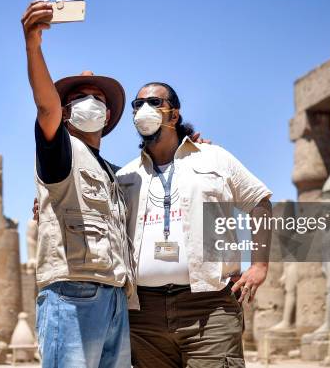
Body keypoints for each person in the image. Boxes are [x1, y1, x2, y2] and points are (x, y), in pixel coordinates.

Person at [116, 82, 273, 368]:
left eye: (153, 102)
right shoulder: (126, 176)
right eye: (137, 105)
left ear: (174, 115)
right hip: (142, 313)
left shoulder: (215, 157)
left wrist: (259, 264)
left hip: (209, 306)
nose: (143, 110)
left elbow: (259, 201)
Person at [22, 0, 135, 368]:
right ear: (66, 110)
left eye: (99, 99)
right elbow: (45, 109)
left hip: (116, 297)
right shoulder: (61, 151)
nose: (92, 103)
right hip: (73, 293)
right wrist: (33, 47)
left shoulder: (114, 173)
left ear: (108, 115)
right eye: (81, 98)